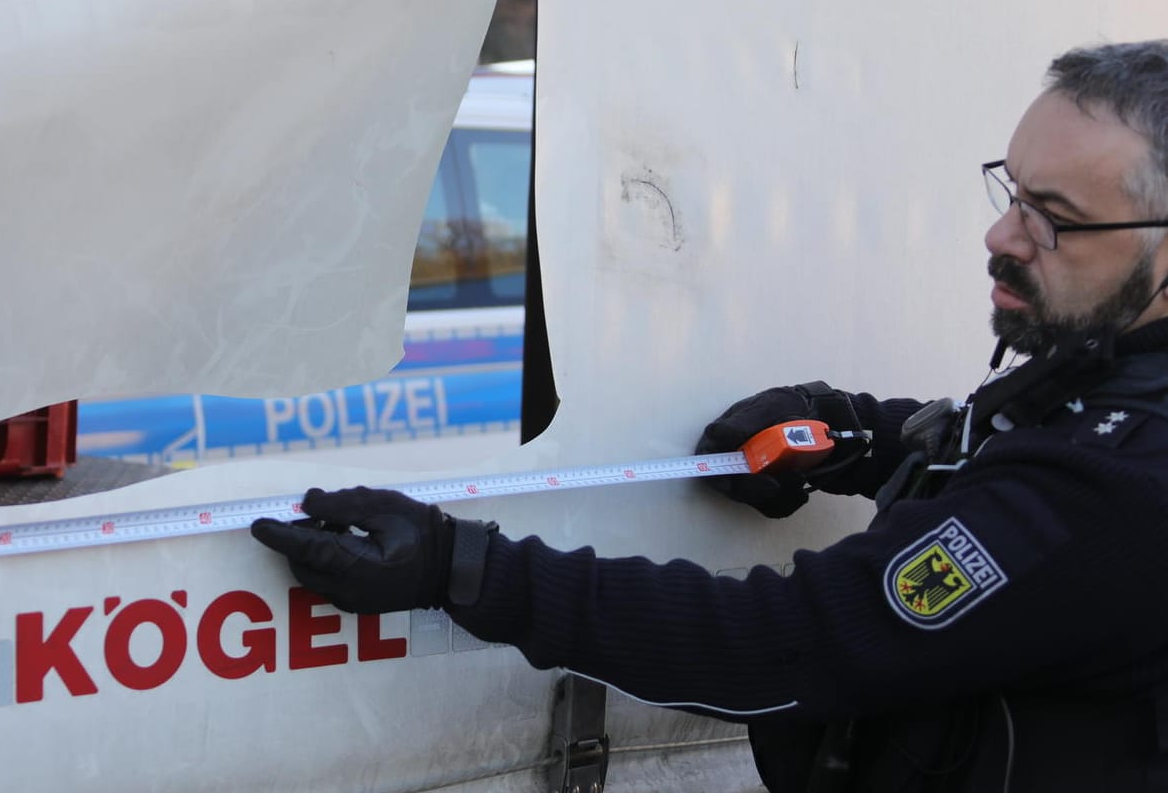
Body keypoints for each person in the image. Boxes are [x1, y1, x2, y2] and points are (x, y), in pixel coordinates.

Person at [252, 40, 1168, 791]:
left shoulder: (1118, 492)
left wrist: (462, 569)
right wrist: (853, 433)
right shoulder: (1116, 389)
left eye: (1052, 216)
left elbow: (783, 643)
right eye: (1009, 191)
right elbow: (1015, 440)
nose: (1002, 236)